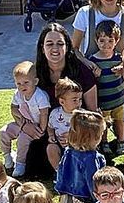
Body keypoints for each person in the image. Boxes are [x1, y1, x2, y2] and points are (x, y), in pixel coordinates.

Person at [28, 23, 100, 177]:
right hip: (49, 131)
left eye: (60, 43)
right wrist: (24, 125)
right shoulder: (34, 74)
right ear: (42, 47)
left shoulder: (82, 71)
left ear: (67, 47)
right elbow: (21, 103)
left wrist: (75, 134)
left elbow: (93, 114)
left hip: (80, 129)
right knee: (36, 162)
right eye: (50, 44)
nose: (55, 48)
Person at [55, 109, 108, 203]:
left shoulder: (69, 151)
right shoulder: (91, 158)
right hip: (85, 198)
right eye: (100, 134)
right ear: (92, 137)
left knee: (67, 199)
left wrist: (61, 187)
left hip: (71, 192)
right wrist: (99, 199)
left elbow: (61, 170)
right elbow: (93, 181)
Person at [0, 61, 50, 177]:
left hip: (35, 125)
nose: (22, 86)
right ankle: (7, 156)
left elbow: (44, 114)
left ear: (35, 82)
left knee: (22, 140)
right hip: (22, 123)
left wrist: (42, 129)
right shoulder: (18, 94)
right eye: (19, 84)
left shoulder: (40, 96)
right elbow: (13, 108)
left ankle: (20, 163)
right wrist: (20, 120)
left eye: (26, 82)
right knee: (3, 132)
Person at [88, 20, 124, 156]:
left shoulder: (119, 59)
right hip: (103, 101)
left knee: (119, 121)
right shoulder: (92, 60)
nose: (106, 45)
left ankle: (121, 142)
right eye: (102, 41)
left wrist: (123, 68)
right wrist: (94, 74)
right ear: (96, 40)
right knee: (103, 123)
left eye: (110, 41)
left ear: (116, 41)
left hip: (118, 99)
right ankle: (104, 143)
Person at [47, 79, 83, 170]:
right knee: (51, 148)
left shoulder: (82, 115)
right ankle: (60, 172)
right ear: (62, 102)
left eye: (80, 99)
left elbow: (87, 133)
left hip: (77, 146)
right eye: (74, 100)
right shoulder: (55, 114)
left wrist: (72, 136)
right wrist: (51, 135)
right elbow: (50, 126)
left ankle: (76, 172)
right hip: (60, 145)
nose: (78, 103)